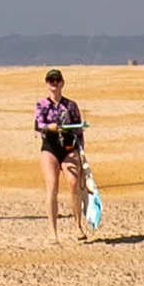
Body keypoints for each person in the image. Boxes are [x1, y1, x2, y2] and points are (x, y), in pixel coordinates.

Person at [34, 67, 88, 235]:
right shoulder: (42, 105)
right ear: (47, 84)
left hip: (69, 147)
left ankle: (78, 226)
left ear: (62, 83)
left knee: (73, 183)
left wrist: (81, 154)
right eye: (51, 80)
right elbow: (38, 125)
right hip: (50, 147)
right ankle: (52, 230)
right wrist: (48, 127)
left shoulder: (71, 105)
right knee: (52, 185)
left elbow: (79, 130)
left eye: (57, 80)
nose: (54, 83)